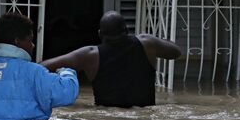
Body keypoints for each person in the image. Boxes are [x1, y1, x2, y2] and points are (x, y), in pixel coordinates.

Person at [41, 11, 182, 108]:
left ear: (100, 34)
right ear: (127, 31)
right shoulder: (147, 43)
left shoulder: (90, 55)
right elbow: (176, 52)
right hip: (144, 117)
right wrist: (156, 40)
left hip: (108, 119)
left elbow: (44, 66)